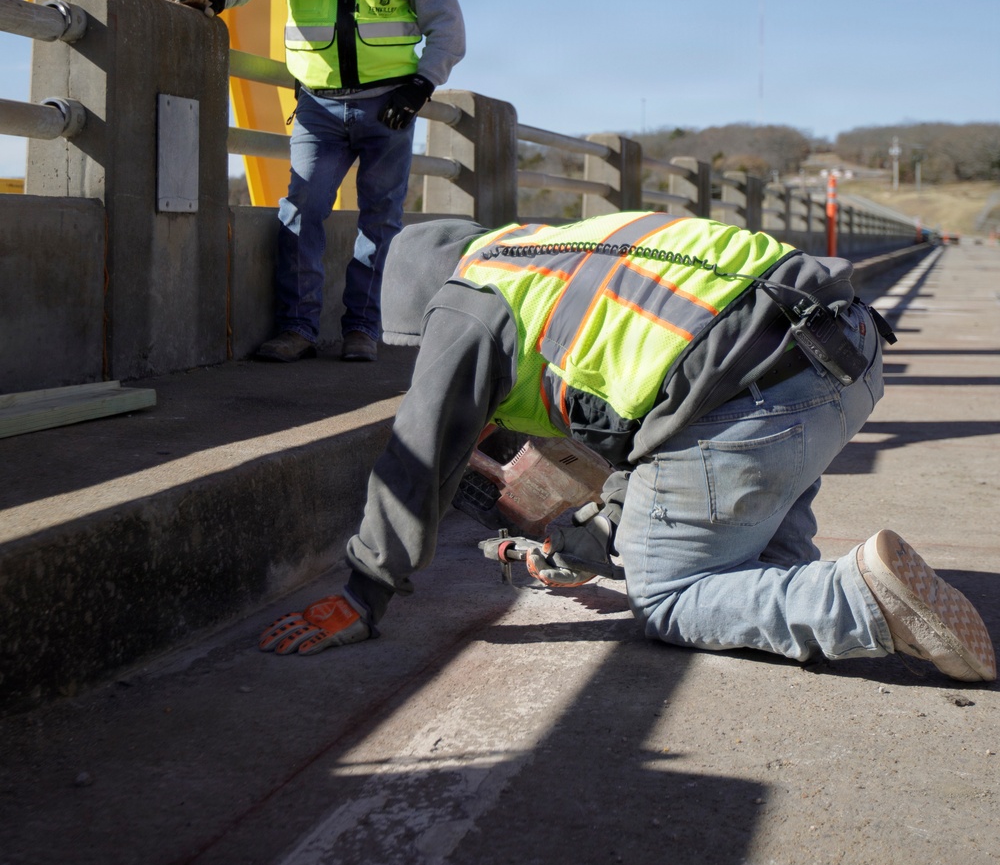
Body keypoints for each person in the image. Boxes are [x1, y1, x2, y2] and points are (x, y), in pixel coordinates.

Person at [258, 211, 996, 683]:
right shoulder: (560, 252)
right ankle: (792, 579)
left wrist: (365, 589)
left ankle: (857, 598)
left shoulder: (466, 299)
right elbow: (655, 402)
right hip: (843, 357)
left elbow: (417, 452)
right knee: (746, 560)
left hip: (756, 393)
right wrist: (601, 532)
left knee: (669, 599)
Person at [169, 0, 465, 363]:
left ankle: (361, 331)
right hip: (319, 110)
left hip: (389, 110)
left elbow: (448, 27)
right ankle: (298, 329)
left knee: (380, 223)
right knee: (301, 210)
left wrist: (421, 84)